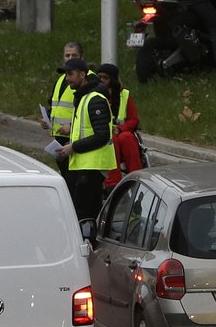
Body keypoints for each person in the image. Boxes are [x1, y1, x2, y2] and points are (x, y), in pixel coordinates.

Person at [53, 58, 115, 229]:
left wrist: (73, 147)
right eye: (66, 74)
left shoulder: (94, 99)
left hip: (93, 167)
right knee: (83, 212)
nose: (67, 78)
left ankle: (88, 245)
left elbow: (102, 135)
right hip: (83, 165)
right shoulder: (82, 97)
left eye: (70, 74)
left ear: (83, 74)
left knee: (86, 214)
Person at [93, 63, 142, 189]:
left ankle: (137, 177)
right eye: (100, 77)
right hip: (102, 134)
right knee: (112, 140)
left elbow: (134, 119)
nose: (102, 81)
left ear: (112, 79)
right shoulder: (94, 95)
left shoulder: (124, 95)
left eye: (105, 78)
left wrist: (120, 129)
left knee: (126, 138)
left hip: (121, 131)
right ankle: (112, 182)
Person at [38, 41, 84, 140]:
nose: (70, 59)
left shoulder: (87, 79)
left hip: (77, 136)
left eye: (74, 55)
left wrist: (71, 126)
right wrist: (47, 118)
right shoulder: (61, 79)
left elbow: (87, 110)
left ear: (81, 57)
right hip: (60, 135)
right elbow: (54, 104)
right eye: (67, 55)